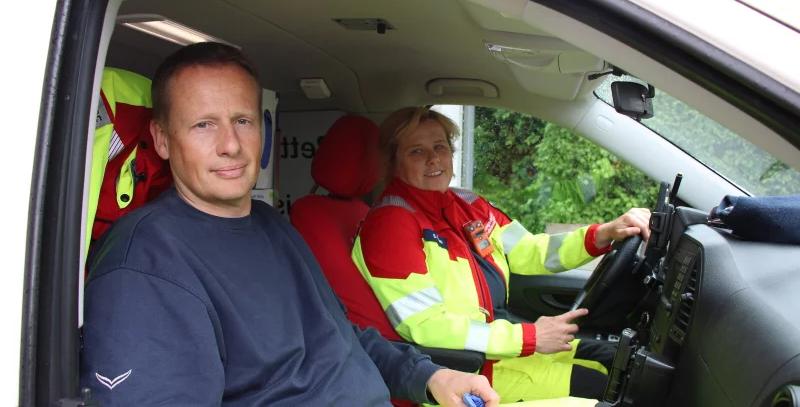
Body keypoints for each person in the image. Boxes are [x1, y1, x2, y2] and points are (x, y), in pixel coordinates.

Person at [79, 43, 501, 406]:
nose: (230, 145)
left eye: (242, 121)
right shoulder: (144, 266)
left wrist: (430, 377)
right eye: (203, 124)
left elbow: (340, 334)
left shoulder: (271, 225)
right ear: (163, 139)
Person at [351, 107, 652, 403]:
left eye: (440, 146)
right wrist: (529, 338)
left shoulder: (467, 204)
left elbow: (531, 251)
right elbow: (426, 324)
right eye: (416, 151)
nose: (433, 158)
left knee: (612, 361)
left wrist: (604, 233)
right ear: (393, 163)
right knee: (607, 389)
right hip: (465, 373)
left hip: (499, 349)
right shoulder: (391, 224)